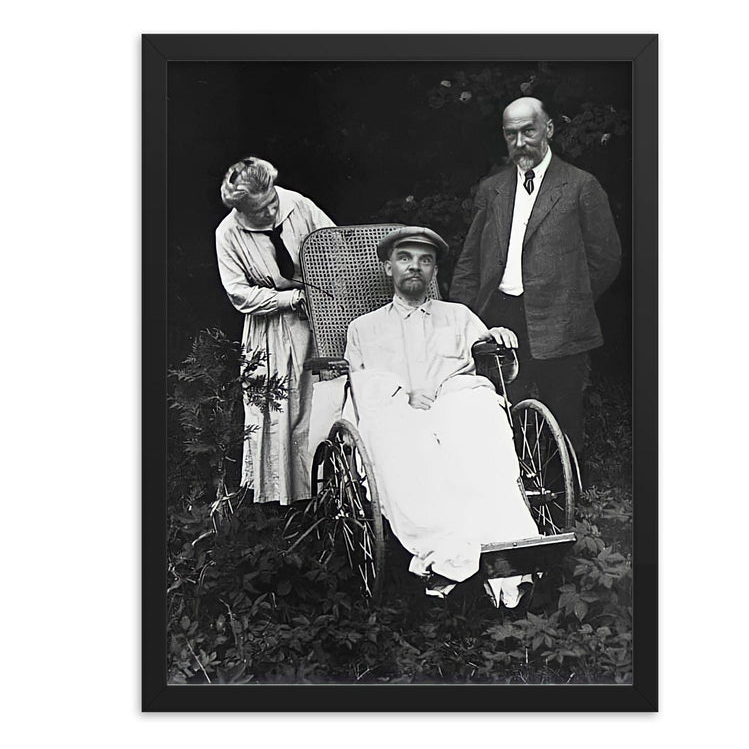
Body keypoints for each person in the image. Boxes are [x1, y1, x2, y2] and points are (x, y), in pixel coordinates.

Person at [344, 226, 540, 607]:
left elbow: (495, 362)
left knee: (480, 416)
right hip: (398, 413)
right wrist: (402, 394)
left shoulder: (459, 317)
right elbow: (361, 386)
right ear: (388, 267)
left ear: (434, 271)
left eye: (425, 260)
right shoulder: (364, 329)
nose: (414, 267)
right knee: (398, 439)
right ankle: (447, 551)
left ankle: (512, 548)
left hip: (454, 409)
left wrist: (498, 337)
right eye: (404, 258)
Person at [449, 97, 621, 455]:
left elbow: (606, 258)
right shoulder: (492, 189)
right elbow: (470, 261)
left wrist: (571, 301)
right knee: (499, 414)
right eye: (510, 134)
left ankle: (564, 491)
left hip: (561, 321)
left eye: (528, 131)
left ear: (549, 129)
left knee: (563, 421)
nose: (520, 142)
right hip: (500, 318)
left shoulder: (580, 185)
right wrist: (465, 318)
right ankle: (509, 487)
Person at [215, 156, 335, 505]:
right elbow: (238, 292)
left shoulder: (297, 204)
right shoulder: (228, 234)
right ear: (240, 210)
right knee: (278, 408)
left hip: (317, 319)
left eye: (271, 202)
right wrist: (287, 299)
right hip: (270, 327)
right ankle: (282, 499)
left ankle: (326, 491)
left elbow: (334, 245)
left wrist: (320, 293)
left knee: (317, 402)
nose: (270, 212)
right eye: (259, 211)